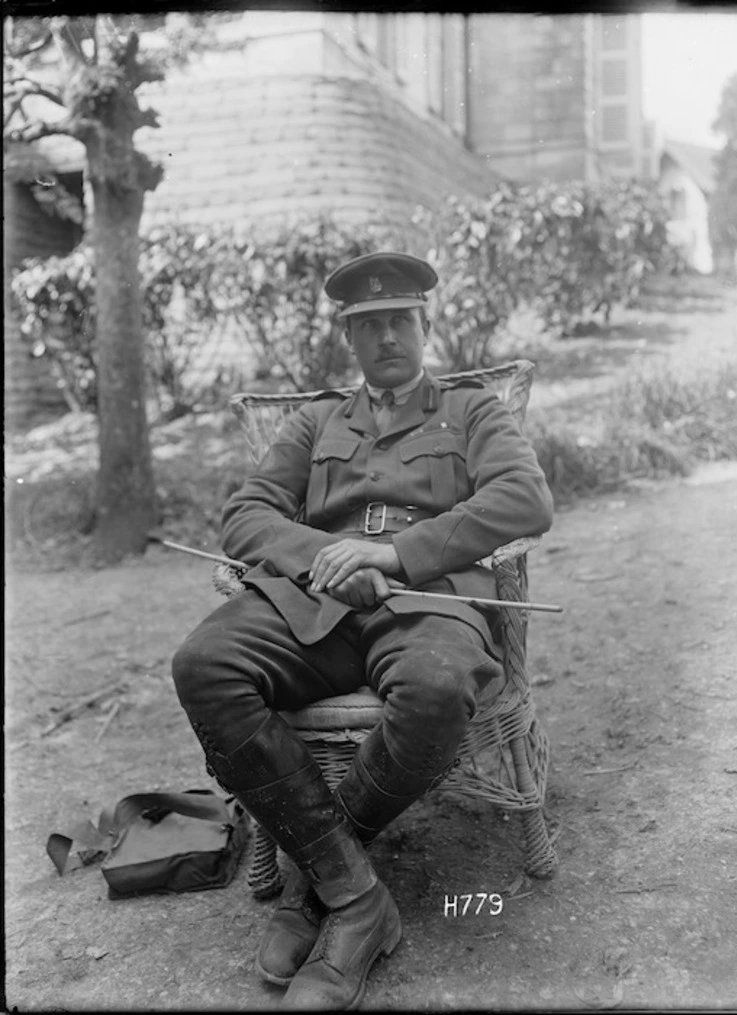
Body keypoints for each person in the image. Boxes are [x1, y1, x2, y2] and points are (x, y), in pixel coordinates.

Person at [172, 251, 554, 1010]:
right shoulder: (315, 421)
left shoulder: (472, 409)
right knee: (205, 662)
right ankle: (357, 894)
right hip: (316, 605)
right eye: (369, 326)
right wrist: (326, 558)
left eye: (399, 322)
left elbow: (525, 500)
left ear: (426, 324)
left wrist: (392, 553)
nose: (386, 338)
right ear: (349, 340)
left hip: (429, 602)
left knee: (439, 689)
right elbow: (245, 515)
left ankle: (322, 882)